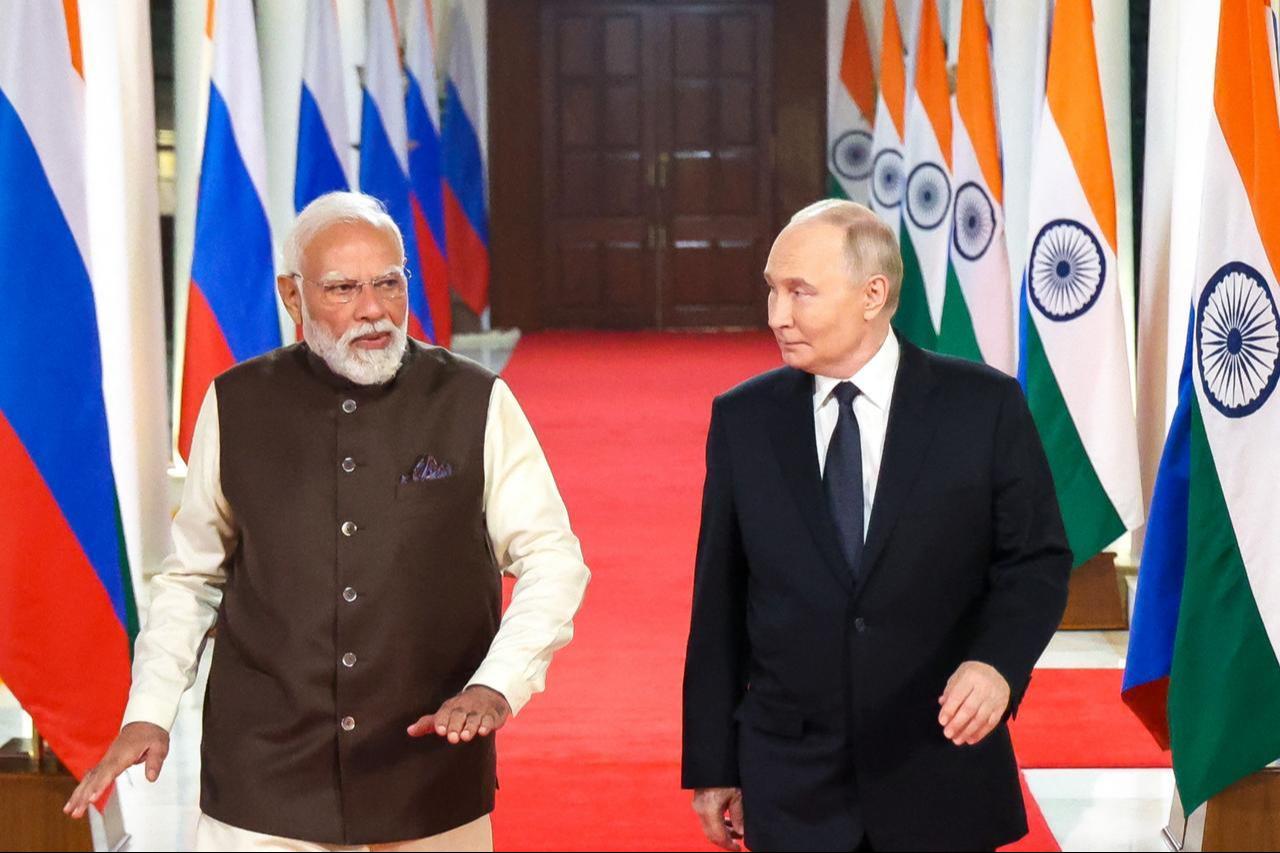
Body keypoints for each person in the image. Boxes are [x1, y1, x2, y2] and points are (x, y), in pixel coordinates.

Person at [65, 191, 590, 851]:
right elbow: (192, 577)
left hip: (427, 760)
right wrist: (149, 711)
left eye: (389, 283)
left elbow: (552, 559)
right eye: (343, 288)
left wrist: (498, 682)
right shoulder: (234, 403)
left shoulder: (475, 400)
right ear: (292, 296)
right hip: (265, 771)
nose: (372, 310)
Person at [681, 199, 1071, 852]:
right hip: (791, 774)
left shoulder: (983, 406)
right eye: (773, 290)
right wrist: (714, 762)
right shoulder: (743, 419)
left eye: (800, 292)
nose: (777, 314)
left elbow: (1035, 560)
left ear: (872, 294)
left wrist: (998, 663)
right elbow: (718, 599)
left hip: (938, 763)